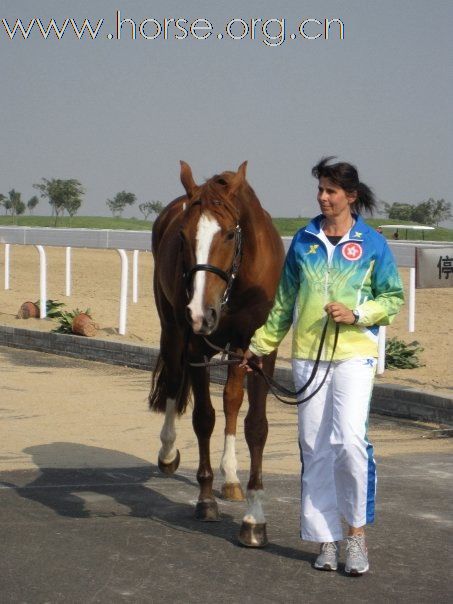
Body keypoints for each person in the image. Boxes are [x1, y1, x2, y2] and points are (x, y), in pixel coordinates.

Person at [240, 157, 404, 575]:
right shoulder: (304, 241)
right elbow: (283, 304)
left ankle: (356, 538)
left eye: (331, 190)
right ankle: (326, 540)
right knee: (314, 447)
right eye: (320, 190)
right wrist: (259, 346)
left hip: (353, 355)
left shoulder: (372, 244)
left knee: (349, 442)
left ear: (350, 196)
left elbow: (392, 299)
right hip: (309, 356)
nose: (323, 197)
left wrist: (357, 313)